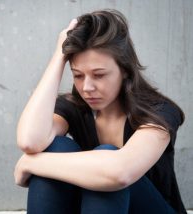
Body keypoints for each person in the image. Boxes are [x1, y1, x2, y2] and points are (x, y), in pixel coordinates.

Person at [14, 9, 187, 214]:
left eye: (99, 75)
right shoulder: (74, 107)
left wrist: (31, 163)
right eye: (78, 75)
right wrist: (59, 57)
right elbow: (30, 141)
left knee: (107, 161)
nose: (87, 87)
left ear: (125, 70)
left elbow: (119, 173)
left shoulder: (159, 111)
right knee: (57, 146)